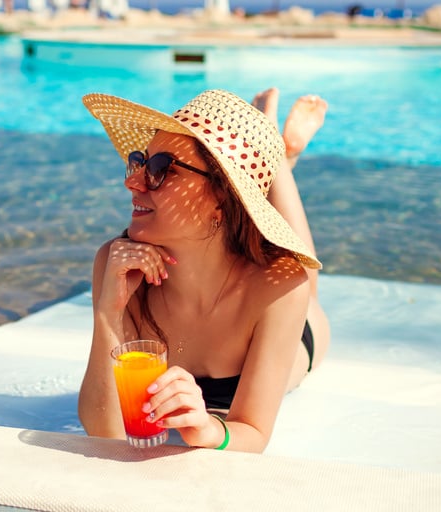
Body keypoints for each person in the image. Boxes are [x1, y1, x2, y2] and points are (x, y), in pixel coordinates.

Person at [78, 87, 330, 453]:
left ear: (222, 198)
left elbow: (253, 432)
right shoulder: (119, 265)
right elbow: (102, 431)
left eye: (162, 170)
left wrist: (211, 430)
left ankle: (279, 158)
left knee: (305, 284)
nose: (132, 182)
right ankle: (273, 152)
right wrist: (108, 313)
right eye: (140, 162)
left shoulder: (279, 286)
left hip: (297, 336)